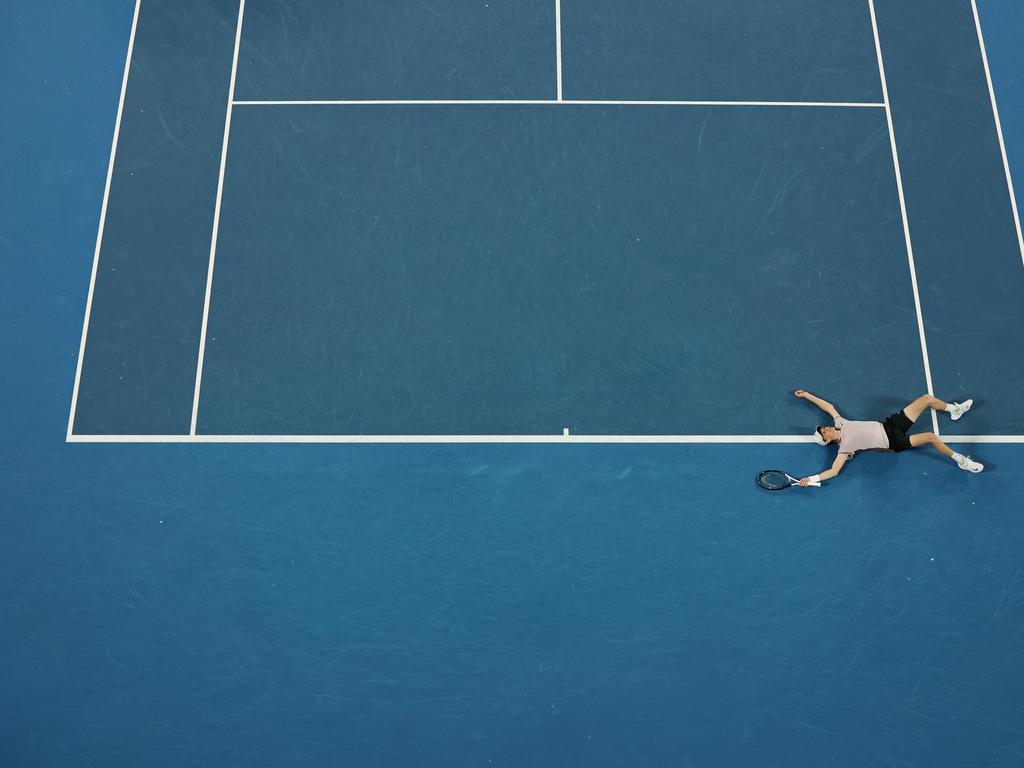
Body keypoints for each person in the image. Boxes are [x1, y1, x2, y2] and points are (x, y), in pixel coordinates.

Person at [793, 389, 983, 485]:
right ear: (827, 441)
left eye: (822, 429)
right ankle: (961, 461)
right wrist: (811, 479)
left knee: (926, 399)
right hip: (894, 442)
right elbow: (833, 471)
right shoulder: (844, 449)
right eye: (822, 433)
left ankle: (955, 410)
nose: (824, 429)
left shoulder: (840, 422)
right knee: (931, 437)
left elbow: (827, 407)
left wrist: (806, 395)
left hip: (890, 424)